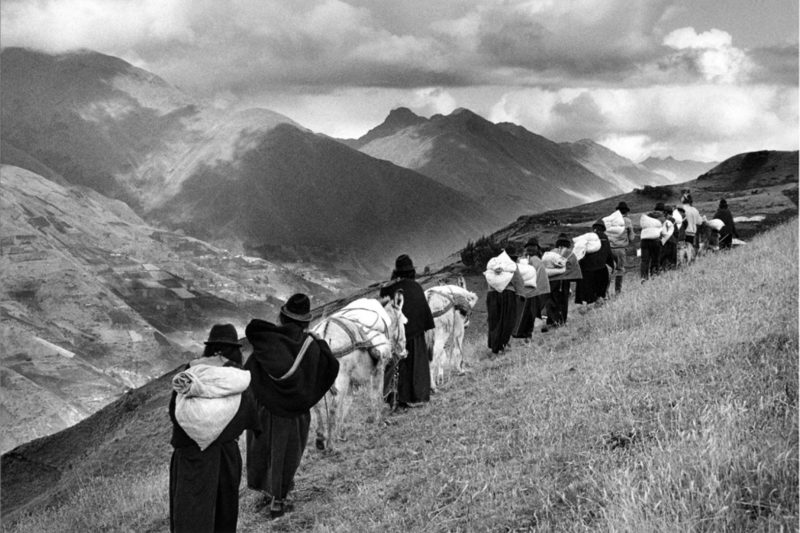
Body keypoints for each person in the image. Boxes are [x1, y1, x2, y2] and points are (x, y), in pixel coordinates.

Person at [245, 294, 339, 519]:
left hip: (265, 409)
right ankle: (279, 500)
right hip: (294, 413)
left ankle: (267, 490)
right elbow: (330, 367)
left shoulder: (267, 341)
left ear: (282, 317)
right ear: (306, 321)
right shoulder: (312, 347)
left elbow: (250, 371)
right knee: (287, 454)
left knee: (264, 450)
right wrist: (319, 343)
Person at [169, 324, 261, 533]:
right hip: (225, 455)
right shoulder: (237, 376)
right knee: (223, 513)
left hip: (189, 456)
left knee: (189, 513)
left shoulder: (190, 372)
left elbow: (174, 411)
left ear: (211, 348)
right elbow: (247, 413)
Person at [380, 254, 435, 407]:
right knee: (416, 365)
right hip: (416, 335)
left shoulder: (388, 289)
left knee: (396, 366)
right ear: (411, 271)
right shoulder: (416, 287)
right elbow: (424, 313)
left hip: (395, 338)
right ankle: (418, 395)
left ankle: (394, 397)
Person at [511, 238, 551, 342]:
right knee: (541, 309)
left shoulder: (531, 261)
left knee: (531, 312)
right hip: (545, 287)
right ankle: (542, 326)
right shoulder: (538, 260)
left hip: (536, 290)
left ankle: (529, 335)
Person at [484, 245, 521, 355]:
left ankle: (494, 346)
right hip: (508, 294)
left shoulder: (493, 265)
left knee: (494, 321)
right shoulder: (512, 266)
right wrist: (521, 294)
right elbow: (518, 281)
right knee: (507, 320)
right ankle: (503, 345)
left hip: (492, 295)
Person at [545, 234, 582, 328]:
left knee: (551, 300)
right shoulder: (570, 253)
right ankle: (561, 321)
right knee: (563, 301)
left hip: (551, 280)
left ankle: (551, 321)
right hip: (564, 282)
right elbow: (574, 267)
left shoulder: (552, 252)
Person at [575, 220, 615, 305]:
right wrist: (612, 265)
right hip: (600, 267)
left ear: (594, 228)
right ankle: (599, 302)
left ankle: (585, 305)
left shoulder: (589, 238)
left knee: (587, 288)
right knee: (600, 287)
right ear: (603, 228)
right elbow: (608, 253)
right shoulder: (604, 237)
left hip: (586, 267)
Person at [606, 202, 634, 295]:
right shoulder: (627, 221)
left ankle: (605, 292)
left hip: (609, 249)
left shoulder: (611, 220)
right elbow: (631, 237)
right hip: (620, 249)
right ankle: (618, 292)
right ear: (626, 212)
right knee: (620, 270)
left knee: (609, 270)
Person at [639, 204, 665, 281]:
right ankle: (654, 275)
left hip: (644, 240)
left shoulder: (647, 216)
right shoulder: (661, 217)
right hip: (655, 240)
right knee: (655, 259)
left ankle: (644, 277)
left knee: (644, 260)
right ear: (663, 210)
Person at [659, 204, 678, 271]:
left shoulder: (663, 221)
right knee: (672, 262)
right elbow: (676, 233)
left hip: (664, 243)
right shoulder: (674, 220)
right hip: (673, 242)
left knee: (662, 261)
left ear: (665, 212)